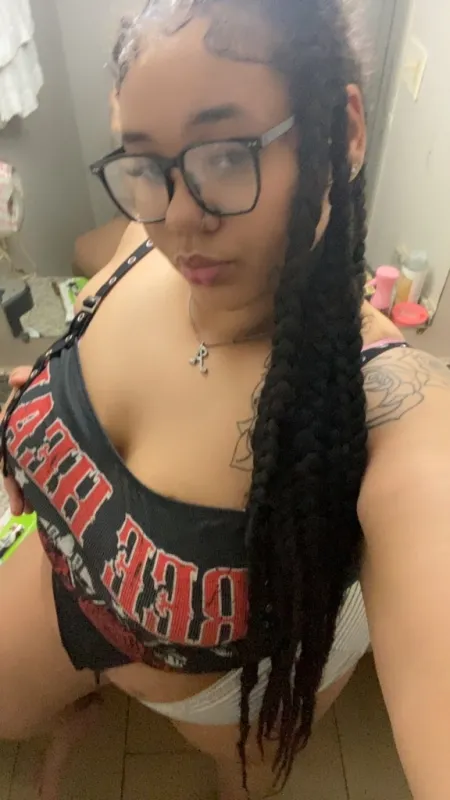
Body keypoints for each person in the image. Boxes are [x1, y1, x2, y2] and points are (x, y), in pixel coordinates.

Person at [2, 2, 450, 798]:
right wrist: (54, 406)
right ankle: (77, 709)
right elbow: (91, 271)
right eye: (146, 163)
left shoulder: (389, 407)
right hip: (63, 586)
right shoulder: (141, 242)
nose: (179, 217)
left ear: (343, 130)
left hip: (221, 697)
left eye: (226, 154)